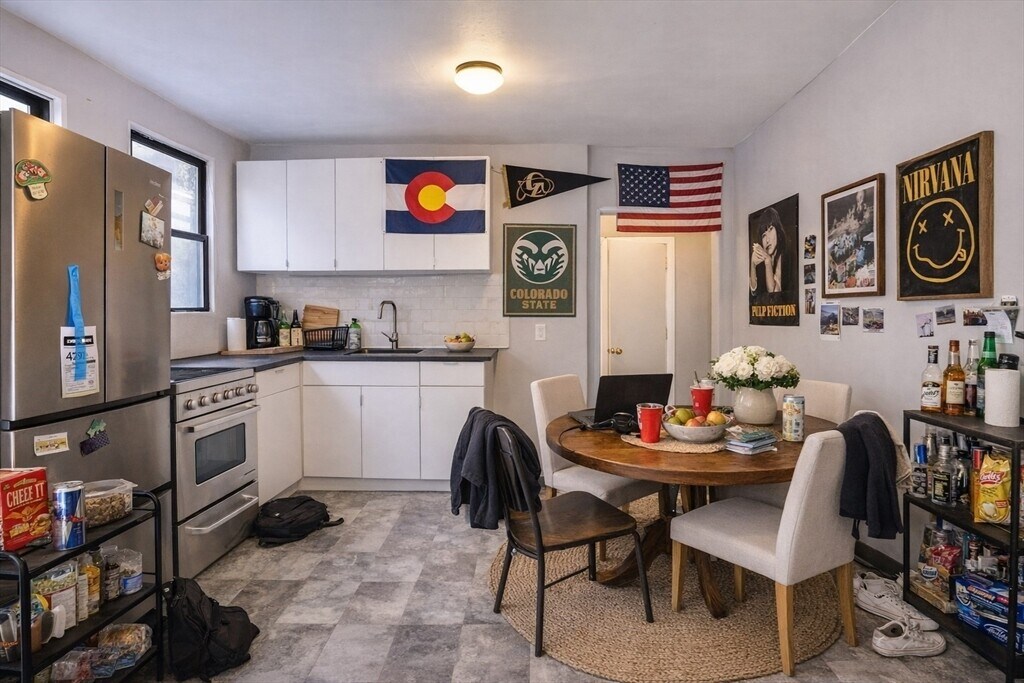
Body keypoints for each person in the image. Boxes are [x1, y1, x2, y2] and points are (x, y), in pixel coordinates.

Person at [749, 207, 789, 303]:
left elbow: (774, 294)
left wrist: (768, 263)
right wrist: (753, 265)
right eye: (764, 235)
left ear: (778, 230)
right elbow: (754, 292)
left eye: (770, 229)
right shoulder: (762, 259)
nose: (767, 239)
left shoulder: (785, 256)